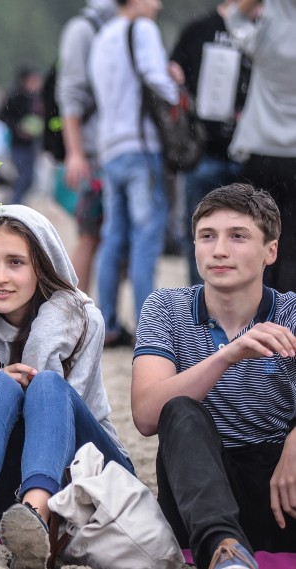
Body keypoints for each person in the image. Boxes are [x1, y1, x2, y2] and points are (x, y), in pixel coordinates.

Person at [0, 205, 132, 569]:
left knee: (45, 385)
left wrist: (51, 325)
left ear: (42, 264)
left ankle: (36, 516)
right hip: (5, 496)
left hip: (91, 476)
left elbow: (67, 413)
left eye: (16, 262)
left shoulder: (82, 317)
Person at [132, 184, 296, 569]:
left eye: (238, 237)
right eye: (207, 236)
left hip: (278, 490)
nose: (219, 250)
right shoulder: (165, 307)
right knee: (181, 410)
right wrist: (229, 354)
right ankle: (227, 551)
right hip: (197, 498)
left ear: (270, 251)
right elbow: (145, 415)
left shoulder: (291, 312)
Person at [89, 0, 178, 347]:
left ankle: (108, 322)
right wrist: (179, 91)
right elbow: (156, 80)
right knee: (146, 237)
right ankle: (148, 326)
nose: (158, 4)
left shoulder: (102, 37)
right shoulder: (142, 29)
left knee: (113, 237)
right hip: (142, 146)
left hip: (111, 148)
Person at [169, 0, 252, 286]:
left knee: (247, 237)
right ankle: (199, 309)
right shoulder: (198, 31)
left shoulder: (260, 31)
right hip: (203, 153)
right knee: (202, 235)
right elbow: (171, 80)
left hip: (249, 153)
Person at [225, 0, 296, 293]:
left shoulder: (265, 38)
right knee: (291, 246)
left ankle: (259, 316)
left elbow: (233, 15)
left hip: (262, 152)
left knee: (259, 241)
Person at [56, 0, 117, 293]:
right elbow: (70, 94)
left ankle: (97, 314)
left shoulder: (118, 25)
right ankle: (75, 308)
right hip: (94, 157)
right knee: (90, 235)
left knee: (105, 237)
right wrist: (76, 152)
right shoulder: (84, 28)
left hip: (112, 152)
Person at [0, 66, 44, 205]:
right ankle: (14, 203)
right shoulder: (15, 97)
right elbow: (3, 116)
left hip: (31, 144)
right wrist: (18, 128)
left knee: (29, 179)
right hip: (18, 145)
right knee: (23, 177)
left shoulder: (36, 98)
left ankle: (16, 201)